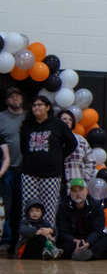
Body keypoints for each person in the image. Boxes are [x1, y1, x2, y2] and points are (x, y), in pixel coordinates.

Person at [20, 95, 76, 227]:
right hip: (29, 174)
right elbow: (23, 148)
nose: (36, 108)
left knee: (49, 210)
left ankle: (48, 243)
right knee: (29, 210)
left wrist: (58, 156)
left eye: (39, 105)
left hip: (51, 175)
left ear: (47, 107)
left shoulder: (57, 124)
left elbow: (72, 143)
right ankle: (27, 242)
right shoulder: (27, 126)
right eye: (34, 105)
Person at [56, 178, 107, 261]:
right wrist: (74, 240)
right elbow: (63, 231)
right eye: (74, 191)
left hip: (90, 239)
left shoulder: (95, 205)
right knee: (63, 246)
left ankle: (88, 254)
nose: (78, 193)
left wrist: (88, 242)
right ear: (70, 193)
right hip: (73, 241)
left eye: (80, 190)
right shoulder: (64, 207)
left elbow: (97, 229)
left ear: (86, 191)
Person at [0, 86, 26, 248]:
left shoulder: (30, 117)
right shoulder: (1, 117)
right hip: (7, 170)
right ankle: (6, 242)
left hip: (27, 170)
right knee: (6, 209)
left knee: (24, 209)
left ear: (22, 99)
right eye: (11, 97)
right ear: (6, 101)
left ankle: (21, 242)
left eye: (17, 95)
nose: (15, 98)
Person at [58, 109, 96, 191]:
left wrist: (84, 178)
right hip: (55, 183)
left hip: (75, 185)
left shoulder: (80, 140)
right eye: (64, 119)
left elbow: (91, 161)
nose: (67, 121)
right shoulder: (53, 139)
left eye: (70, 120)